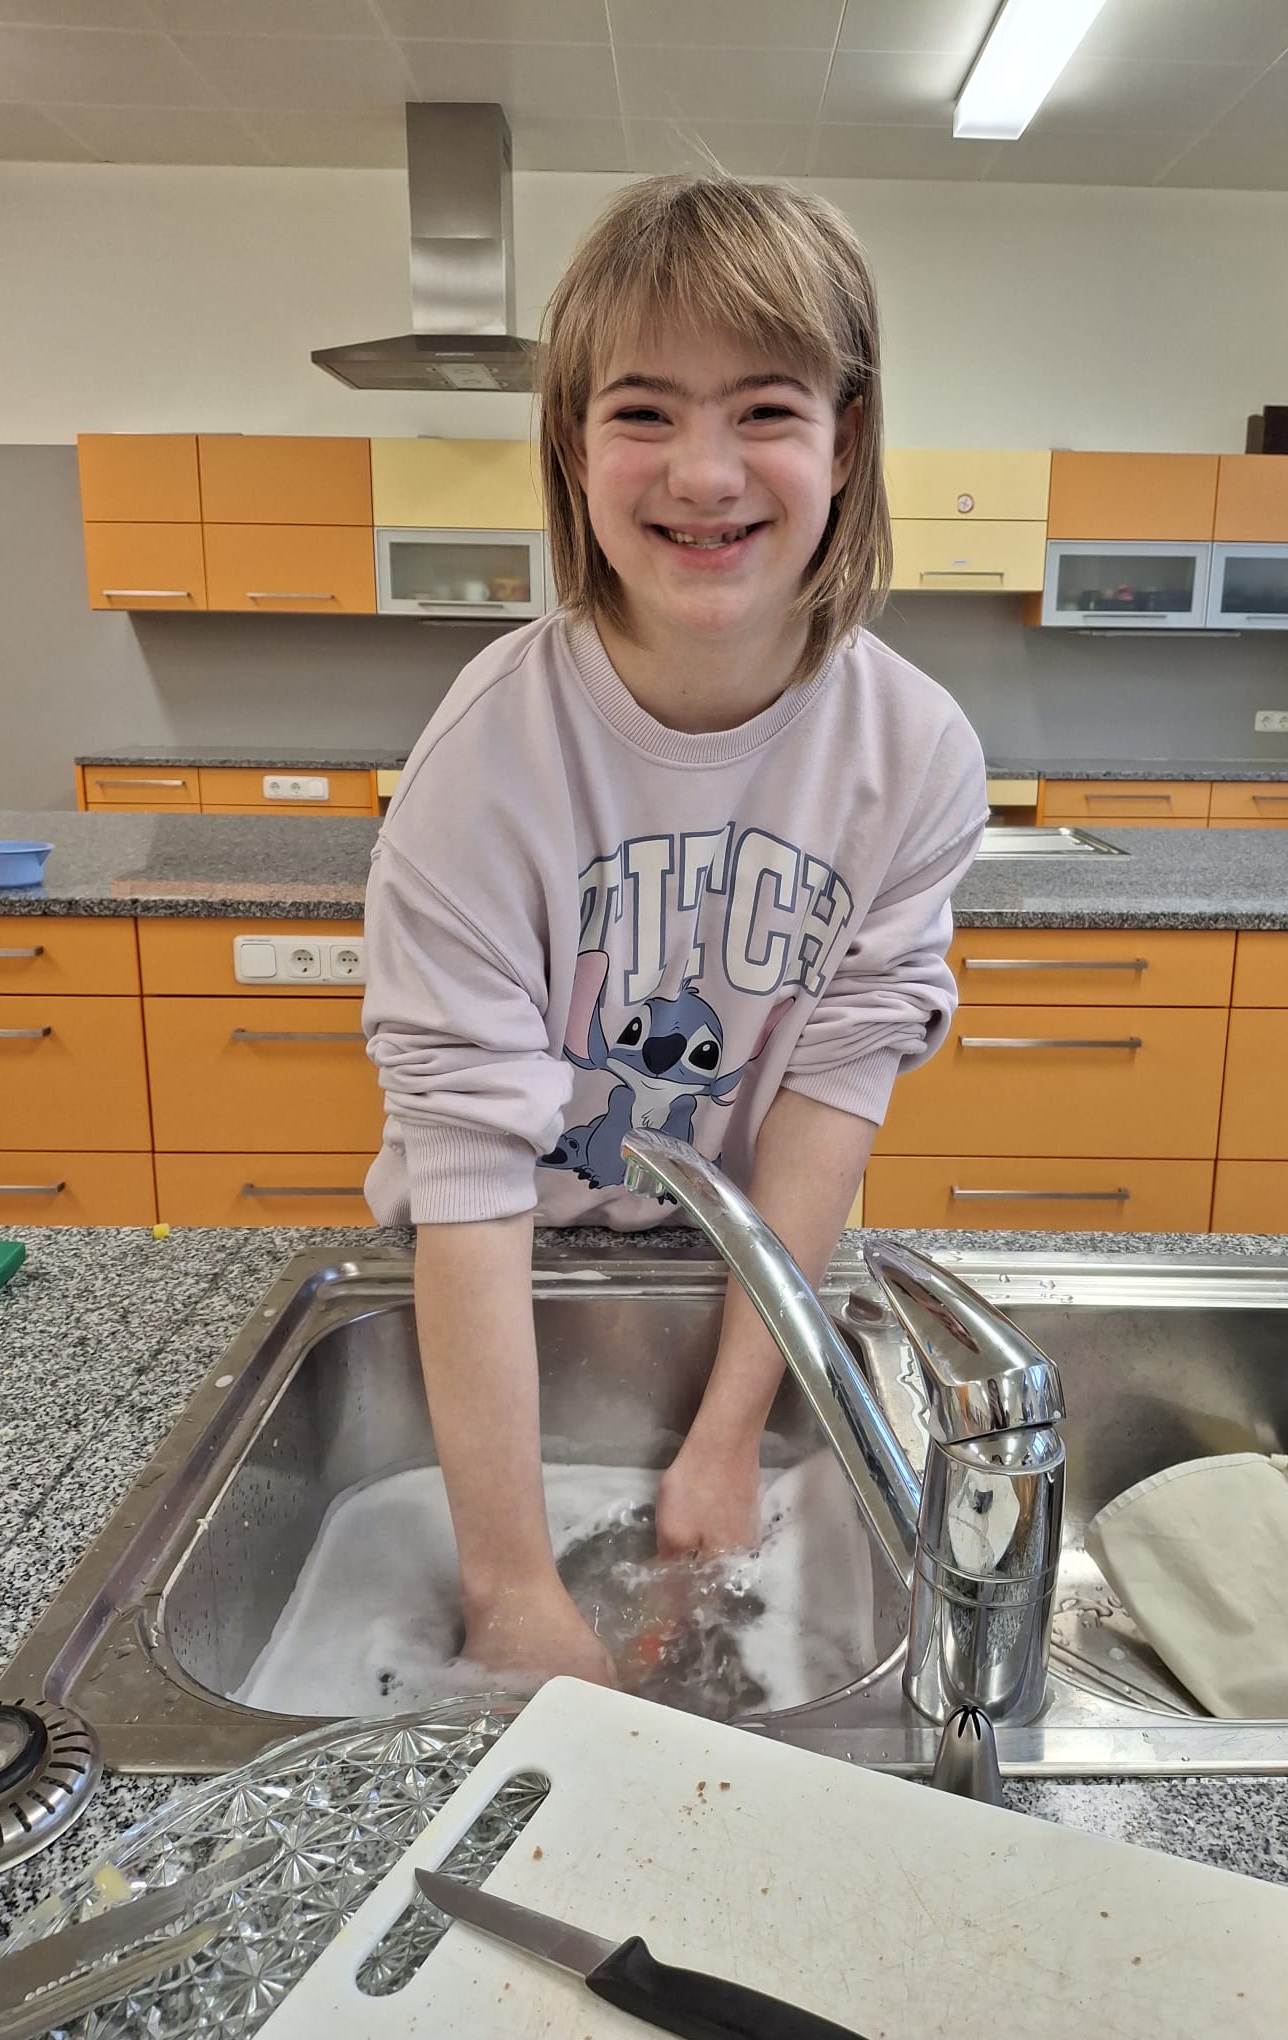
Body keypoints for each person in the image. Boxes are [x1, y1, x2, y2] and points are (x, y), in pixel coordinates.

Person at [361, 173, 988, 1690]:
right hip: (504, 1269)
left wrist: (725, 1437)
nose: (704, 473)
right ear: (572, 450)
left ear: (847, 441)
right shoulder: (483, 763)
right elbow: (466, 1167)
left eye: (765, 409)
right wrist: (513, 1588)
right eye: (642, 412)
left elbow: (831, 1095)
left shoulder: (912, 754)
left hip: (742, 1275)